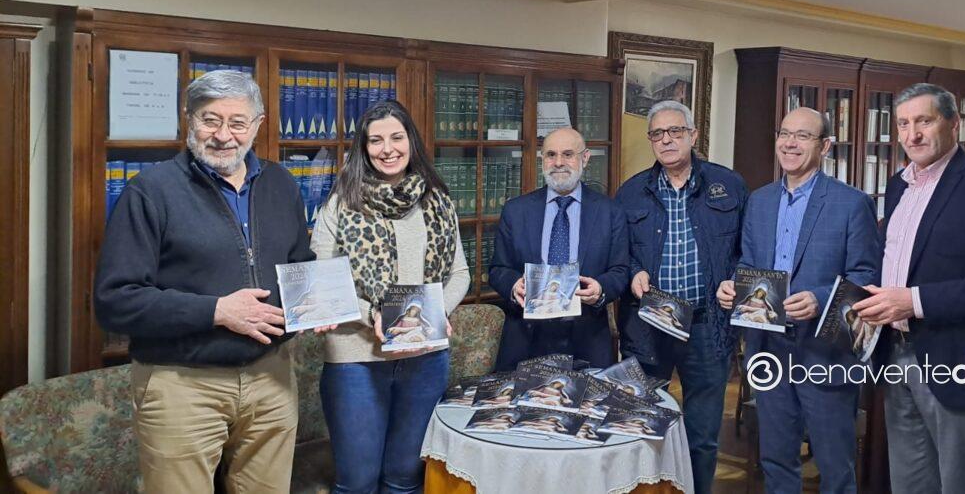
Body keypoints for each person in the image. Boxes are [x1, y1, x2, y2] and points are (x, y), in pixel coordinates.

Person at [94, 70, 313, 493]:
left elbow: (299, 265)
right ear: (188, 119)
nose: (224, 135)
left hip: (272, 379)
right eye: (210, 120)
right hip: (182, 384)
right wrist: (217, 311)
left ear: (258, 125)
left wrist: (318, 305)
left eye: (237, 122)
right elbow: (114, 300)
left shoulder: (282, 185)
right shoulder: (150, 192)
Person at [853, 83, 965, 494]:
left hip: (960, 360)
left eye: (924, 121)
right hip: (895, 352)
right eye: (903, 124)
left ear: (954, 125)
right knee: (909, 482)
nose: (912, 134)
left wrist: (913, 301)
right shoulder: (898, 185)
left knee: (960, 484)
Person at [311, 99, 471, 494]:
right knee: (358, 482)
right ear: (364, 148)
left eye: (396, 138)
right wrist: (372, 314)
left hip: (426, 357)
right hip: (356, 359)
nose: (388, 149)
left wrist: (435, 312)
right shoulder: (340, 202)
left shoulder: (438, 200)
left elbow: (460, 274)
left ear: (411, 141)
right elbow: (322, 280)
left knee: (405, 478)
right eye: (376, 140)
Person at [720, 107, 881, 494]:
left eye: (803, 136)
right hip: (769, 347)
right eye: (785, 134)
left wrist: (821, 299)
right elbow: (749, 263)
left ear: (824, 146)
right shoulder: (759, 201)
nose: (790, 143)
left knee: (835, 464)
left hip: (824, 351)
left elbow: (866, 276)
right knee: (776, 460)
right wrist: (734, 287)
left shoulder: (851, 203)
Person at [615, 100, 748, 494]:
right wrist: (633, 271)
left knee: (702, 438)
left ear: (693, 135)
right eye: (657, 133)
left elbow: (749, 250)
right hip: (648, 327)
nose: (667, 140)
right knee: (643, 429)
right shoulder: (631, 193)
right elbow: (617, 254)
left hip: (708, 327)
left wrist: (736, 281)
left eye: (675, 131)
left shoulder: (729, 185)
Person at [488, 128, 631, 369]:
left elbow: (620, 270)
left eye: (568, 154)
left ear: (585, 158)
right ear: (542, 158)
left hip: (587, 337)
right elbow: (498, 269)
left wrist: (600, 289)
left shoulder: (610, 211)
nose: (558, 163)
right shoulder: (516, 210)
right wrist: (513, 286)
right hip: (526, 336)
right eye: (551, 155)